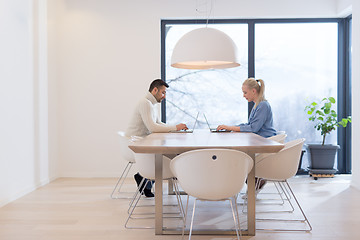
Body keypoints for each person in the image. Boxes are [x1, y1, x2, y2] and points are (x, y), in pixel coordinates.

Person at [125, 79, 188, 197]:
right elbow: (153, 127)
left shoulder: (151, 104)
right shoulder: (145, 103)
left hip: (143, 142)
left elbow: (159, 123)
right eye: (163, 92)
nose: (164, 96)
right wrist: (175, 127)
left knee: (170, 154)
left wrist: (176, 128)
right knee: (169, 155)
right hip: (137, 144)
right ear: (155, 90)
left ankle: (145, 179)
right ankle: (144, 177)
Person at [216, 78, 276, 195]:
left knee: (237, 156)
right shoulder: (257, 105)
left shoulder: (263, 105)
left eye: (245, 92)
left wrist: (231, 128)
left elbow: (253, 128)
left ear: (253, 91)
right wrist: (231, 128)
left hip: (264, 143)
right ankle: (254, 181)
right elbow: (249, 125)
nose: (243, 95)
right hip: (258, 141)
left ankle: (255, 181)